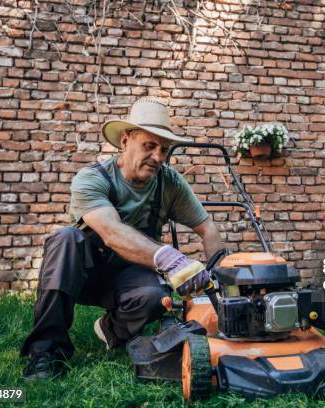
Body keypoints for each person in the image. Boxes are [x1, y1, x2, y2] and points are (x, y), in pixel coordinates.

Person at [21, 97, 224, 380]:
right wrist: (170, 258)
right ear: (125, 140)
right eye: (149, 146)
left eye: (164, 149)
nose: (158, 157)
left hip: (131, 274)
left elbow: (208, 229)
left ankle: (111, 329)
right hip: (82, 274)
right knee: (65, 239)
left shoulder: (170, 183)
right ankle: (45, 354)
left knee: (156, 297)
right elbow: (112, 233)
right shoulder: (92, 179)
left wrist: (219, 280)